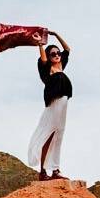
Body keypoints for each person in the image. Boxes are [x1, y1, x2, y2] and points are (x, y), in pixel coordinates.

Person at [25, 31, 71, 180]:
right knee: (50, 135)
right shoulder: (48, 70)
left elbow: (68, 49)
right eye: (53, 54)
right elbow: (43, 60)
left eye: (57, 53)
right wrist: (40, 45)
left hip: (63, 105)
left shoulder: (61, 66)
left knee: (59, 136)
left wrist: (56, 34)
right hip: (55, 104)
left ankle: (55, 170)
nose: (57, 55)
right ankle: (43, 171)